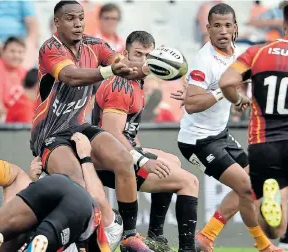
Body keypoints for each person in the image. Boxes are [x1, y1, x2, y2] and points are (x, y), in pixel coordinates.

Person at [31, 1, 150, 251]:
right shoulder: (49, 49)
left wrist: (148, 67)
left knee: (123, 159)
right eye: (71, 18)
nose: (78, 23)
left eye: (81, 18)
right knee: (79, 186)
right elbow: (71, 76)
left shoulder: (94, 44)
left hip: (78, 126)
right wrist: (109, 71)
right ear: (57, 22)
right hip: (50, 134)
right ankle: (82, 243)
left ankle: (129, 235)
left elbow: (119, 63)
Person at [173, 3, 282, 252]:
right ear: (208, 29)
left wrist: (238, 98)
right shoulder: (203, 60)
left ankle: (206, 237)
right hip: (196, 141)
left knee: (253, 182)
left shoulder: (237, 54)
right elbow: (191, 104)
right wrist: (223, 92)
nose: (223, 31)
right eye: (217, 26)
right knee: (246, 186)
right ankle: (264, 246)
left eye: (227, 25)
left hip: (219, 134)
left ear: (235, 28)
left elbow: (240, 84)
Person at [92, 31, 199, 252]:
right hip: (108, 163)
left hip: (115, 155)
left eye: (147, 55)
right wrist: (141, 159)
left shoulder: (136, 83)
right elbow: (111, 133)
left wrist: (140, 151)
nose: (142, 60)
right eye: (137, 54)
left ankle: (156, 236)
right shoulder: (120, 85)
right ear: (124, 54)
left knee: (172, 162)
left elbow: (127, 131)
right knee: (190, 182)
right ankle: (186, 249)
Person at [0, 132, 112, 252]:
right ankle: (41, 239)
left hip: (53, 183)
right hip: (79, 205)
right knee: (43, 237)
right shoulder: (97, 226)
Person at [219, 0, 288, 244]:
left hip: (263, 144)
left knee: (273, 231)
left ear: (283, 24)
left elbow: (226, 82)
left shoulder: (257, 52)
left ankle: (274, 201)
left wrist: (237, 99)